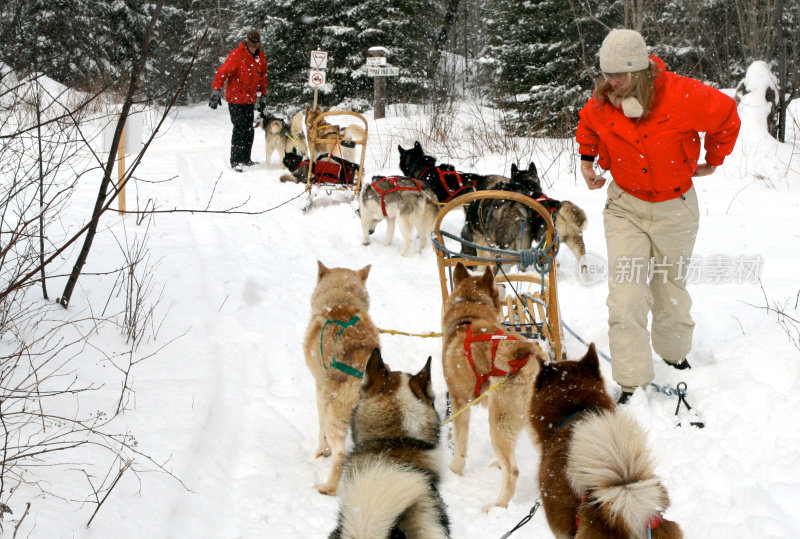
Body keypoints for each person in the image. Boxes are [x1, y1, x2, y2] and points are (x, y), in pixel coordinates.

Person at [576, 29, 741, 404]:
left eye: (619, 75)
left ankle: (674, 354)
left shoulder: (681, 93)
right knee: (626, 294)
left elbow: (726, 116)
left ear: (640, 68)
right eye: (606, 74)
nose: (611, 82)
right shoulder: (604, 100)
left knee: (669, 287)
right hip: (625, 206)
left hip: (675, 207)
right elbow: (588, 126)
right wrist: (588, 161)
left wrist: (713, 161)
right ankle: (632, 381)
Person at [209, 30, 268, 172]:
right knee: (240, 129)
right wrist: (216, 91)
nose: (254, 47)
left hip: (249, 99)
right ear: (246, 43)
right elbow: (221, 73)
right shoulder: (237, 55)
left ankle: (246, 159)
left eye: (256, 45)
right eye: (251, 44)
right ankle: (236, 161)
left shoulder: (260, 57)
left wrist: (263, 96)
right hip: (235, 99)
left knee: (249, 130)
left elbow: (262, 76)